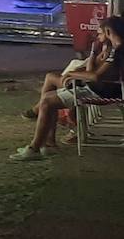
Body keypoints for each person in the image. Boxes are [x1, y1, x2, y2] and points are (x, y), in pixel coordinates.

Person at [9, 15, 124, 161]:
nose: (98, 36)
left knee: (47, 101)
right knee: (48, 97)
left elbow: (96, 76)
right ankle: (45, 145)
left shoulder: (117, 50)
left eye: (100, 32)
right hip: (101, 89)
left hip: (100, 92)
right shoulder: (116, 49)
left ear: (108, 31)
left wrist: (71, 73)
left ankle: (35, 148)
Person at [21, 22, 114, 119]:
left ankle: (40, 111)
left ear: (107, 33)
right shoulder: (106, 50)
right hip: (90, 84)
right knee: (51, 79)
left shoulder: (111, 52)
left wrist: (72, 73)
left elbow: (92, 74)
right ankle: (41, 111)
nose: (97, 37)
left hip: (93, 88)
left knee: (50, 83)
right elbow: (90, 70)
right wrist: (93, 53)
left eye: (100, 34)